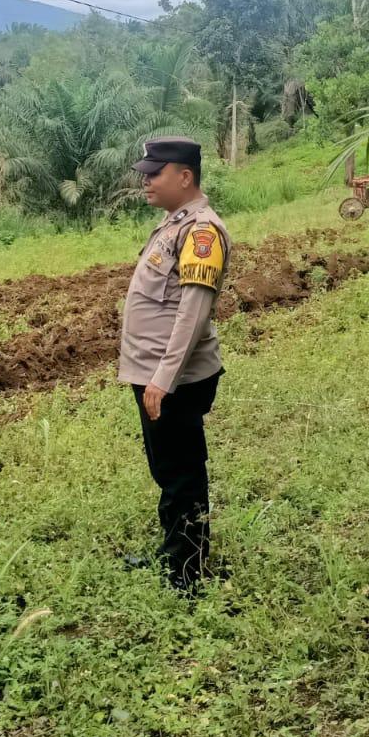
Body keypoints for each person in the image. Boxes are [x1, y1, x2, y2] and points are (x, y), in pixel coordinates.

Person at [118, 137, 231, 592]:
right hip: (156, 374)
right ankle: (175, 552)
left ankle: (186, 574)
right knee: (168, 468)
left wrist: (163, 380)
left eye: (155, 172)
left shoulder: (202, 231)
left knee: (181, 471)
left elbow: (193, 312)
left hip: (175, 378)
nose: (145, 180)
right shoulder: (176, 223)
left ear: (184, 177)